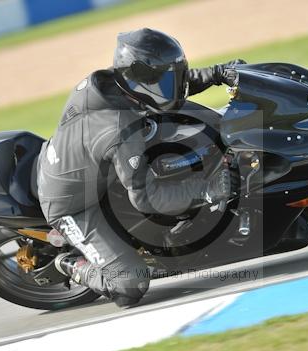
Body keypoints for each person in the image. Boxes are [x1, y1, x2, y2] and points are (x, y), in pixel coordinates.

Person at [37, 28, 244, 307]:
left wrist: (219, 73)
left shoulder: (115, 83)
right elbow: (147, 198)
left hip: (94, 169)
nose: (170, 81)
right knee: (129, 286)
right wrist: (207, 189)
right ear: (139, 77)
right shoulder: (117, 130)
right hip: (73, 205)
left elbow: (168, 87)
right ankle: (72, 264)